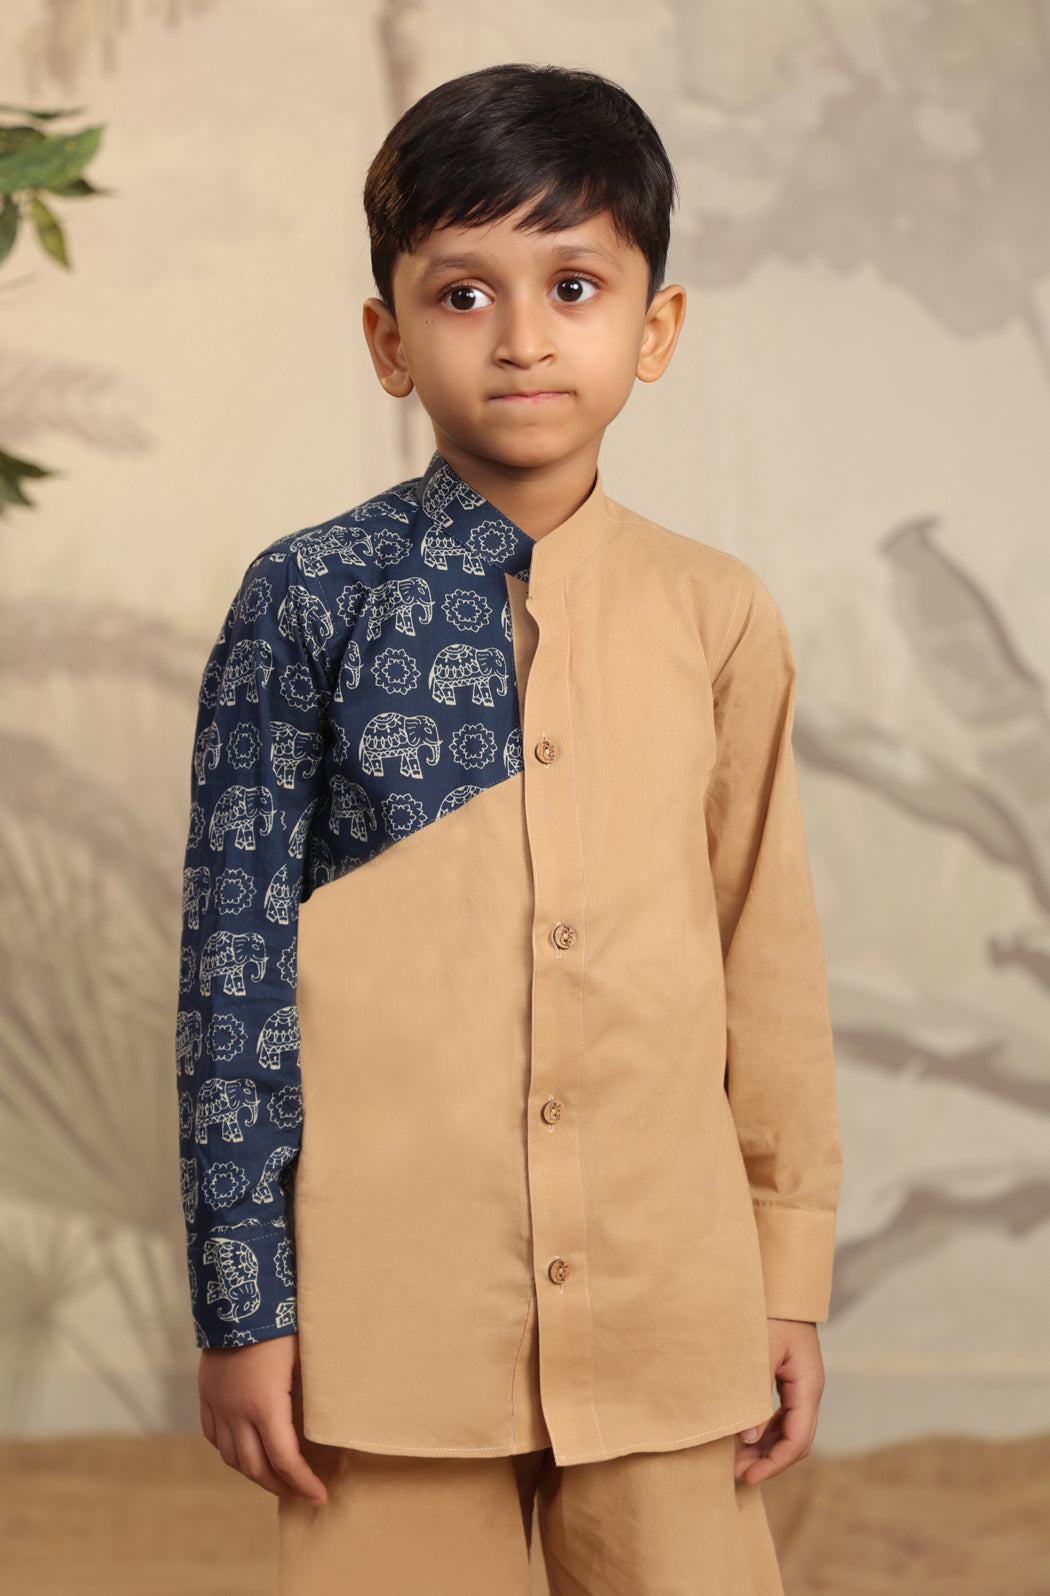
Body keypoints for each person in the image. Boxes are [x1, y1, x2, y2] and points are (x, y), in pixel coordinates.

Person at [176, 61, 843, 1595]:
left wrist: (783, 1273)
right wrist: (242, 1303)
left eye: (574, 285)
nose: (524, 335)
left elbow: (764, 958)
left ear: (654, 328)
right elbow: (231, 977)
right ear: (387, 340)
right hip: (389, 1326)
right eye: (463, 294)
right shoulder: (308, 601)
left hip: (668, 1304)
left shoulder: (716, 614)